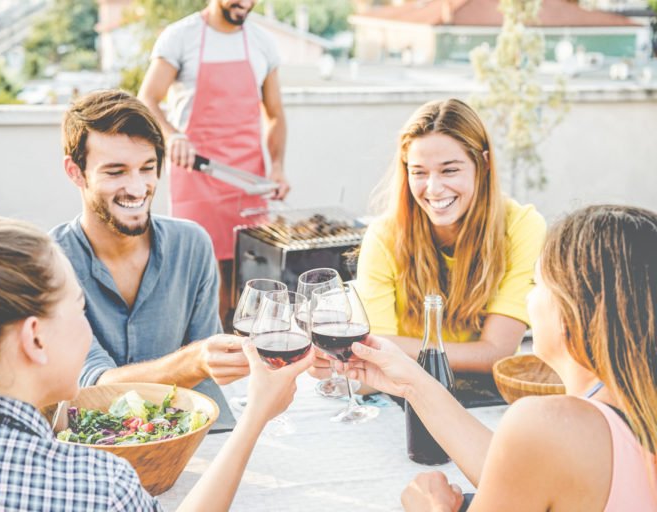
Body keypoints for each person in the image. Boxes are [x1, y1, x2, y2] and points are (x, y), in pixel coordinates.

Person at [0, 197, 314, 511]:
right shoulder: (96, 487)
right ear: (35, 339)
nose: (87, 325)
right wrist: (256, 414)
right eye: (79, 308)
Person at [345, 204, 657, 511]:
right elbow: (520, 469)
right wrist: (412, 383)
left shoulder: (550, 425)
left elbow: (532, 453)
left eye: (535, 284)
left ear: (571, 312)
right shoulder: (628, 417)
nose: (526, 297)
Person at [51, 90, 246, 422]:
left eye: (148, 168)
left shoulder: (192, 245)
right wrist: (196, 359)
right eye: (116, 172)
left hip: (198, 433)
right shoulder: (49, 264)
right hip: (98, 447)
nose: (138, 188)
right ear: (76, 172)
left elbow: (207, 384)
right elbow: (95, 389)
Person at [344, 98, 546, 374]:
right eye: (419, 172)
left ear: (483, 163)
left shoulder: (522, 226)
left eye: (449, 170)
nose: (434, 188)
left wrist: (391, 348)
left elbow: (498, 353)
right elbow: (375, 353)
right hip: (404, 391)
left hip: (486, 399)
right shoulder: (384, 236)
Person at [139, 0, 289, 325]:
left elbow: (275, 115)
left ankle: (244, 366)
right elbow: (148, 98)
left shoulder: (262, 42)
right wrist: (172, 135)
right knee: (198, 276)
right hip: (196, 175)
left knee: (247, 283)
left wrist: (276, 167)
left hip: (246, 178)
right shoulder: (180, 37)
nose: (245, 4)